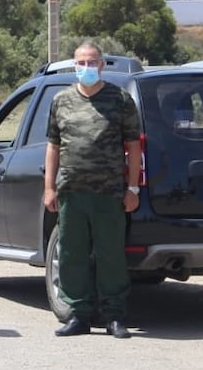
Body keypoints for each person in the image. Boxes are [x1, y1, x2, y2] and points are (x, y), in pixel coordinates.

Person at [44, 42, 142, 339]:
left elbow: (134, 146)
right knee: (72, 254)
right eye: (81, 62)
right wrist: (49, 187)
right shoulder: (61, 100)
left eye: (92, 62)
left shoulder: (120, 99)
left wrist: (133, 187)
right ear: (74, 65)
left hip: (109, 192)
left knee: (110, 254)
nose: (86, 67)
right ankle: (79, 315)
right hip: (72, 192)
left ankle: (114, 316)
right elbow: (53, 145)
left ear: (102, 65)